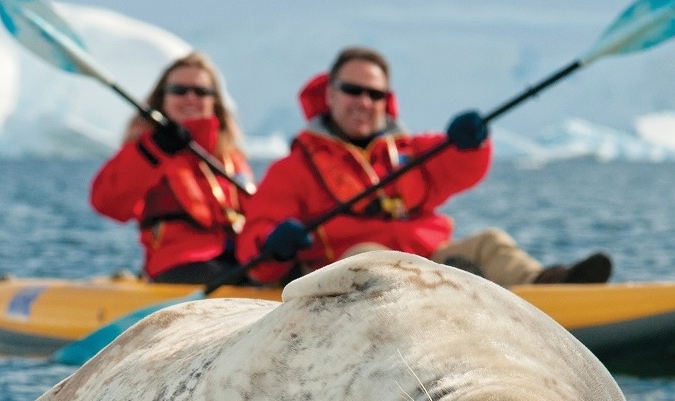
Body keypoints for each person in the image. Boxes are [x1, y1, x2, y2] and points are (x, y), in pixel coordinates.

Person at [236, 46, 612, 287]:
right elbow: (257, 240)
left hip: (429, 262)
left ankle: (548, 288)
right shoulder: (294, 168)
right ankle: (462, 293)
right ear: (330, 94)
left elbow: (461, 166)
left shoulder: (410, 151)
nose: (364, 102)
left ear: (387, 101)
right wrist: (274, 245)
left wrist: (472, 141)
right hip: (348, 277)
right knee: (369, 253)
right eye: (353, 90)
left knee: (490, 242)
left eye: (375, 94)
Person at [89, 52, 253, 284]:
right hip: (178, 263)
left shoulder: (231, 158)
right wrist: (155, 149)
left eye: (201, 91)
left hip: (239, 258)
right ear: (162, 99)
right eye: (179, 90)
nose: (190, 98)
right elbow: (107, 203)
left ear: (213, 101)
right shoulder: (146, 151)